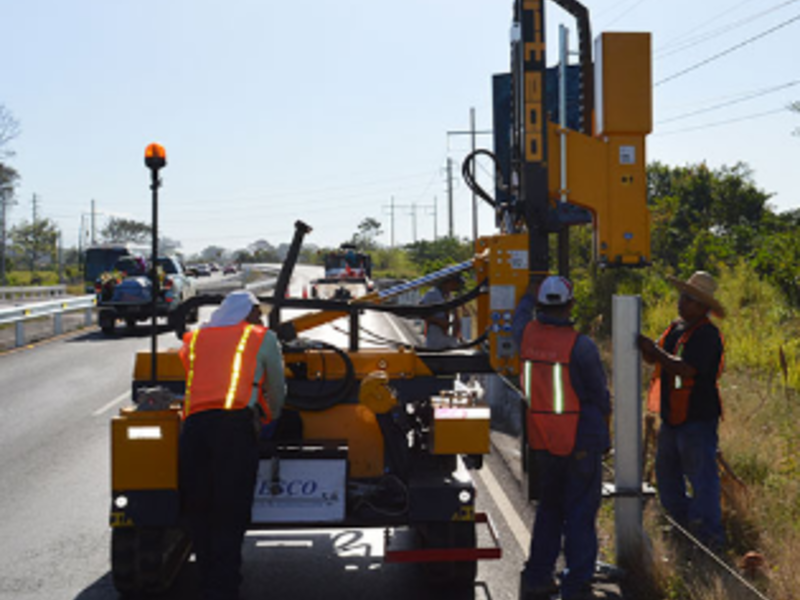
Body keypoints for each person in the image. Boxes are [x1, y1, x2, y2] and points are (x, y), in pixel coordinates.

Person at [178, 290, 286, 600]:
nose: (261, 318)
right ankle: (223, 587)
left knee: (199, 505)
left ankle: (208, 577)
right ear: (247, 313)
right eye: (257, 313)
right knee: (230, 507)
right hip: (234, 428)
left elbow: (195, 377)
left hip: (195, 428)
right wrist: (273, 416)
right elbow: (276, 386)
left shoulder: (195, 339)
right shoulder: (261, 337)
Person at [512, 276, 611, 600]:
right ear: (570, 305)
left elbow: (519, 314)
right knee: (580, 514)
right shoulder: (581, 346)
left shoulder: (525, 335)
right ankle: (577, 585)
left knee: (549, 510)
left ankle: (538, 576)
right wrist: (604, 437)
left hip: (543, 442)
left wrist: (527, 290)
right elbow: (599, 396)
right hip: (580, 441)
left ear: (541, 304)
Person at [637, 271, 725, 549]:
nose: (682, 303)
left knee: (702, 478)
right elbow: (658, 358)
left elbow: (685, 368)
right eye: (683, 297)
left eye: (690, 299)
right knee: (667, 474)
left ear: (704, 307)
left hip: (697, 418)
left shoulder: (707, 335)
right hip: (673, 417)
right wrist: (646, 348)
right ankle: (681, 525)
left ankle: (708, 537)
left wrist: (655, 351)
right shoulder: (676, 329)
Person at [420, 273, 463, 349]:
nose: (456, 286)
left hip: (450, 338)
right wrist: (439, 321)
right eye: (455, 283)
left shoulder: (449, 296)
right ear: (447, 282)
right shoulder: (432, 294)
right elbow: (421, 313)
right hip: (436, 337)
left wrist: (459, 335)